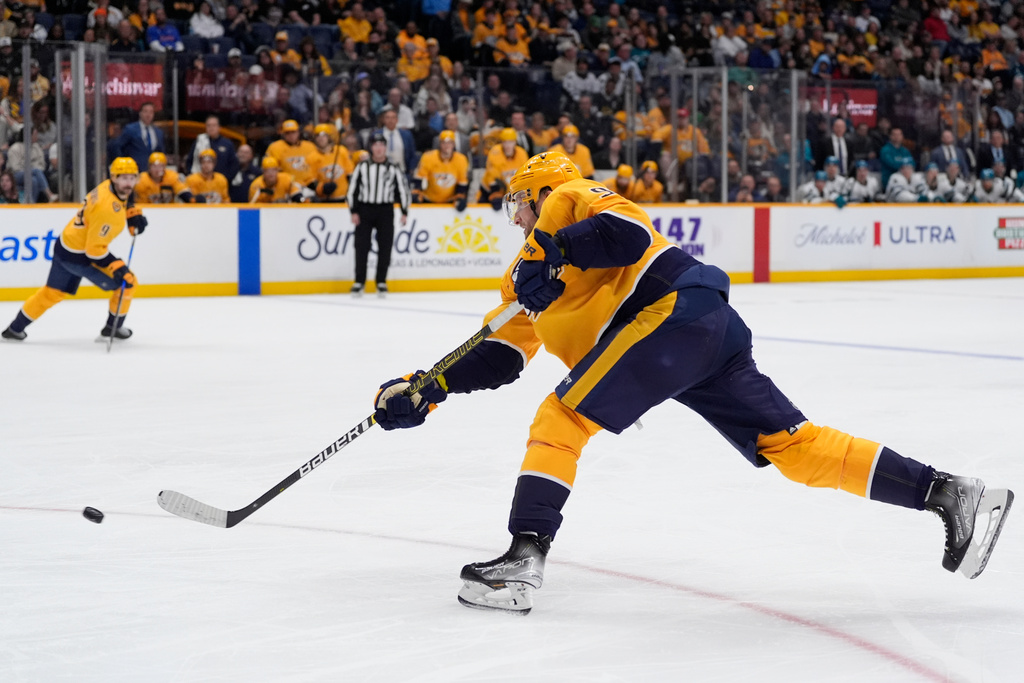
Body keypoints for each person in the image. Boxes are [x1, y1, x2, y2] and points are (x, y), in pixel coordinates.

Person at [370, 151, 1015, 614]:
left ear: (538, 194)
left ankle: (522, 559)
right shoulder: (524, 278)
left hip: (669, 314)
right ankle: (948, 493)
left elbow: (626, 235)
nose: (516, 218)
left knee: (561, 419)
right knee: (793, 447)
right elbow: (500, 356)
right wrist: (428, 387)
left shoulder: (569, 198)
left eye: (519, 203)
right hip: (705, 329)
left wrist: (554, 248)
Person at [2, 158, 148, 342]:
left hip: (65, 245)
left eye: (132, 178)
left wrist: (130, 211)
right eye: (124, 178)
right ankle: (113, 329)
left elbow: (124, 197)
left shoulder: (107, 186)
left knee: (52, 292)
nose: (128, 183)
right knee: (127, 283)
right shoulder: (107, 211)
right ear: (114, 177)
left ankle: (14, 329)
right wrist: (117, 265)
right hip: (81, 257)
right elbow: (94, 251)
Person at [346, 131, 411, 297]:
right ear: (371, 148)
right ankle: (359, 281)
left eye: (382, 145)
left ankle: (381, 281)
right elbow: (352, 190)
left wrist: (404, 211)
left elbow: (403, 189)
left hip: (385, 210)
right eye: (375, 145)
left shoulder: (393, 167)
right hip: (365, 209)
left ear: (385, 147)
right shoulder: (362, 166)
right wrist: (354, 211)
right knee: (361, 246)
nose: (379, 148)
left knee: (385, 246)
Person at [413, 130, 469, 209]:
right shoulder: (428, 157)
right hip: (429, 200)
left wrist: (459, 197)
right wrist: (417, 194)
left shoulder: (461, 159)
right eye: (444, 143)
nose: (447, 146)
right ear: (439, 144)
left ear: (454, 144)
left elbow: (462, 183)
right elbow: (419, 179)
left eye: (450, 143)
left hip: (449, 202)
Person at [479, 127, 528, 209]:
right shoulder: (495, 153)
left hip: (511, 191)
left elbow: (524, 176)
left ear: (515, 142)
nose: (508, 146)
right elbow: (492, 176)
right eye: (505, 142)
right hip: (490, 189)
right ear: (501, 143)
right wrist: (497, 192)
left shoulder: (522, 154)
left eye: (510, 142)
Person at [265, 119, 319, 189]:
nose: (291, 135)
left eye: (293, 132)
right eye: (287, 133)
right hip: (288, 185)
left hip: (310, 183)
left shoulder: (310, 146)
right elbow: (270, 169)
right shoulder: (275, 147)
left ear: (298, 132)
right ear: (283, 134)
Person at [114, 102, 165, 172]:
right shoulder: (130, 129)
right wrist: (123, 164)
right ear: (140, 113)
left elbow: (161, 153)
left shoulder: (158, 132)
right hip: (133, 170)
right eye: (145, 111)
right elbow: (118, 146)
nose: (148, 115)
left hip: (152, 173)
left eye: (151, 112)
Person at [184, 114, 238, 179]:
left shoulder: (227, 144)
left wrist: (226, 179)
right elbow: (190, 161)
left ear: (219, 127)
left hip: (221, 182)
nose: (211, 128)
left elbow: (234, 165)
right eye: (208, 125)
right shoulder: (199, 141)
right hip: (201, 181)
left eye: (214, 125)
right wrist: (193, 176)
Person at [310, 122, 353, 202]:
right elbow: (311, 181)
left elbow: (350, 174)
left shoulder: (341, 150)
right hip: (324, 200)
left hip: (343, 198)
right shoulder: (311, 157)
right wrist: (322, 188)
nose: (321, 138)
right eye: (318, 136)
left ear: (329, 137)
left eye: (324, 135)